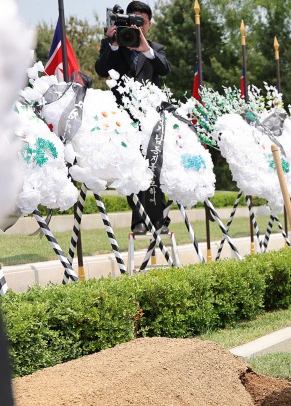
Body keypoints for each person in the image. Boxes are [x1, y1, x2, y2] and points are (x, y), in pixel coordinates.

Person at [94, 0, 171, 235]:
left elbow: (164, 69)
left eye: (141, 22)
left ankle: (155, 219)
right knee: (131, 168)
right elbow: (100, 69)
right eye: (132, 21)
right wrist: (113, 44)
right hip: (122, 119)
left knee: (154, 166)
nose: (136, 27)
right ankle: (142, 219)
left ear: (148, 25)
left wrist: (145, 48)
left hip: (150, 119)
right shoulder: (115, 45)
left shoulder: (155, 48)